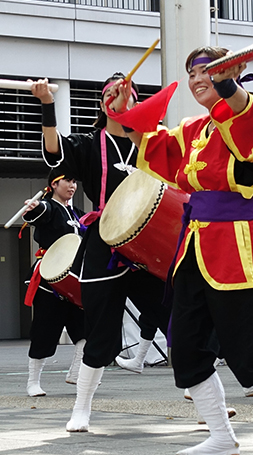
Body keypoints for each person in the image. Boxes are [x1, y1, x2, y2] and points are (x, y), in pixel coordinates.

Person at [110, 46, 253, 455]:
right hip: (194, 247)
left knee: (243, 350)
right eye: (191, 73)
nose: (195, 79)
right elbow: (148, 145)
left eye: (206, 72)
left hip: (236, 248)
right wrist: (123, 108)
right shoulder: (193, 129)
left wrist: (229, 83)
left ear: (230, 74)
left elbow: (243, 116)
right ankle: (221, 436)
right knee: (186, 349)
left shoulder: (246, 118)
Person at [30, 73, 171, 432]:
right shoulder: (90, 144)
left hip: (149, 241)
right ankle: (81, 408)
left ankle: (206, 402)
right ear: (101, 103)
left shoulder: (151, 142)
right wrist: (48, 105)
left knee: (176, 317)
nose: (119, 98)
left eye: (126, 94)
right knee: (100, 331)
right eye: (111, 93)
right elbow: (53, 153)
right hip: (105, 242)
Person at [20, 167, 87, 396]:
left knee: (86, 330)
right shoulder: (49, 207)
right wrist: (34, 207)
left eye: (74, 181)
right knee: (44, 329)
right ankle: (33, 381)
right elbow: (37, 214)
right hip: (49, 280)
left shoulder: (77, 213)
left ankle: (76, 373)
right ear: (54, 185)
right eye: (67, 181)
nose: (72, 186)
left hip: (73, 279)